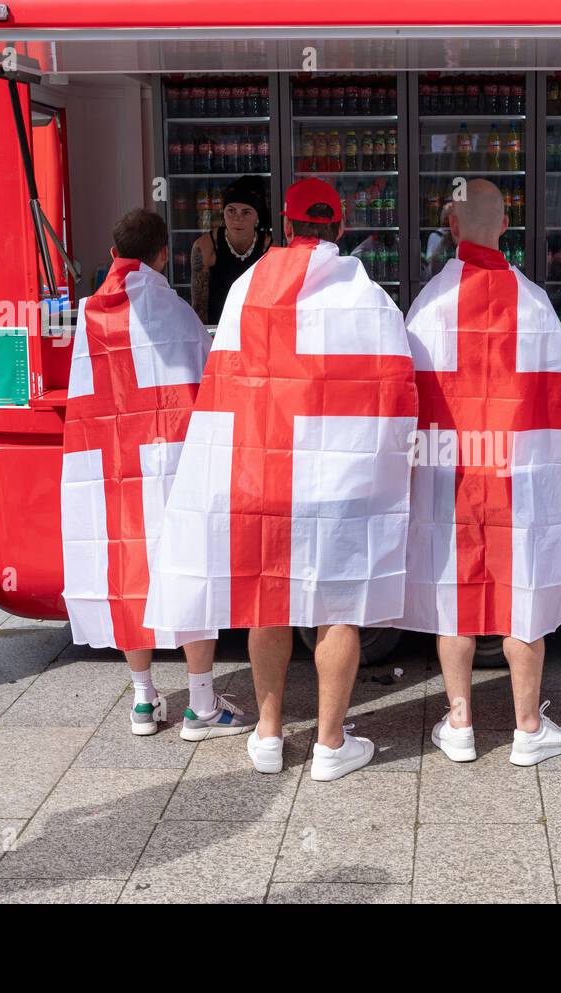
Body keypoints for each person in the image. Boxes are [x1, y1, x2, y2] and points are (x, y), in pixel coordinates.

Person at [145, 178, 417, 782]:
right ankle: (329, 743)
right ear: (340, 228)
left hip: (262, 467)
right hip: (342, 477)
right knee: (339, 606)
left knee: (268, 600)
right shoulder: (365, 294)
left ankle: (268, 735)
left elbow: (225, 387)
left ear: (286, 226)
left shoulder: (246, 288)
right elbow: (399, 386)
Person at [399, 178, 561, 765]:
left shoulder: (428, 303)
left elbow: (406, 395)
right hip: (519, 476)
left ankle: (460, 724)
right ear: (505, 227)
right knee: (524, 590)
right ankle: (528, 728)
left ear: (453, 228)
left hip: (449, 474)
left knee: (452, 594)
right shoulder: (533, 302)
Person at [61, 208, 248, 741]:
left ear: (115, 247)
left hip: (111, 466)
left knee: (125, 568)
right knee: (190, 567)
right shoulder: (172, 310)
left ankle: (144, 701)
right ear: (163, 254)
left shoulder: (90, 312)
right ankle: (202, 706)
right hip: (170, 461)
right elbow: (207, 383)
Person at [190, 175, 270, 326]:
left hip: (257, 332)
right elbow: (199, 309)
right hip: (217, 334)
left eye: (246, 212)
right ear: (223, 213)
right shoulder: (205, 247)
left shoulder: (270, 248)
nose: (237, 219)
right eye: (231, 211)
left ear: (257, 216)